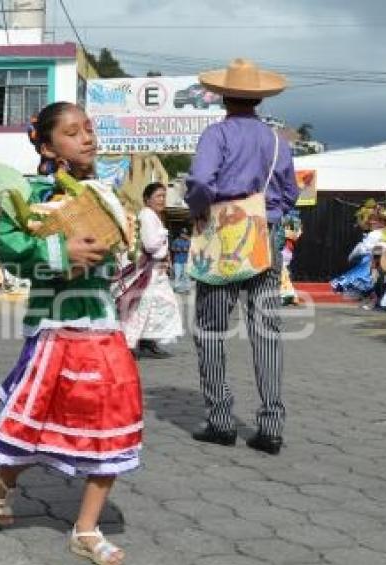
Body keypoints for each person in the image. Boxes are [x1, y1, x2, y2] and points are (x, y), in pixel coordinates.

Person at [0, 102, 142, 565]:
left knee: (113, 418)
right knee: (41, 423)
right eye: (72, 132)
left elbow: (114, 256)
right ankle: (3, 479)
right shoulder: (27, 194)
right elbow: (12, 251)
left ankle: (86, 530)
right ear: (48, 145)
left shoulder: (106, 192)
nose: (87, 137)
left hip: (103, 324)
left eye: (89, 129)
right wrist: (60, 247)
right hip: (55, 326)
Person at [184, 59, 299, 455]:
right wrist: (269, 213)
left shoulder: (216, 134)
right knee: (267, 330)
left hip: (223, 236)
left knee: (212, 329)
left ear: (222, 97)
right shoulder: (277, 141)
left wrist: (200, 206)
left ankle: (220, 420)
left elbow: (200, 180)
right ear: (259, 99)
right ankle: (271, 426)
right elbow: (289, 194)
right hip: (265, 236)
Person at [115, 182, 184, 358]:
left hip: (156, 271)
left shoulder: (154, 216)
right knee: (141, 308)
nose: (162, 200)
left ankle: (148, 341)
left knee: (157, 306)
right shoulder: (147, 215)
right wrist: (164, 235)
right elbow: (151, 244)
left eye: (163, 196)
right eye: (158, 196)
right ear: (147, 199)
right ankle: (130, 344)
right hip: (149, 272)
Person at [170, 227, 192, 293]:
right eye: (182, 233)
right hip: (177, 261)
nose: (184, 235)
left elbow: (193, 250)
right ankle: (176, 287)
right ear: (180, 234)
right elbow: (172, 248)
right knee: (177, 275)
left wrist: (188, 250)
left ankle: (187, 288)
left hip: (186, 261)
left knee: (186, 275)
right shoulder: (176, 241)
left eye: (185, 233)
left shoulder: (189, 241)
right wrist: (177, 249)